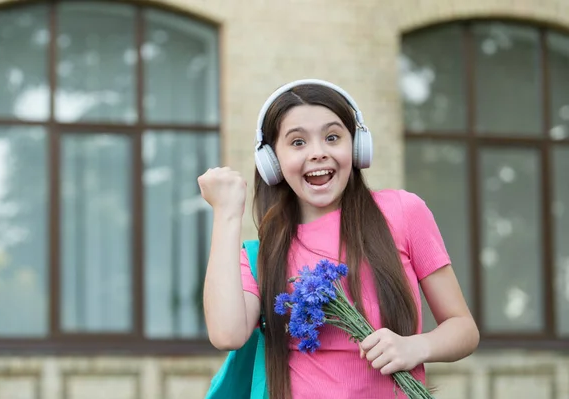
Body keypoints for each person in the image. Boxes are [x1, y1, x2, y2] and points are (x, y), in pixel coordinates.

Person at [197, 79, 479, 399]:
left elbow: (464, 328)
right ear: (272, 161)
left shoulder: (403, 212)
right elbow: (226, 334)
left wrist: (415, 347)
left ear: (357, 147)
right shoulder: (262, 254)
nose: (318, 153)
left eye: (332, 137)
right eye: (298, 142)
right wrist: (226, 213)